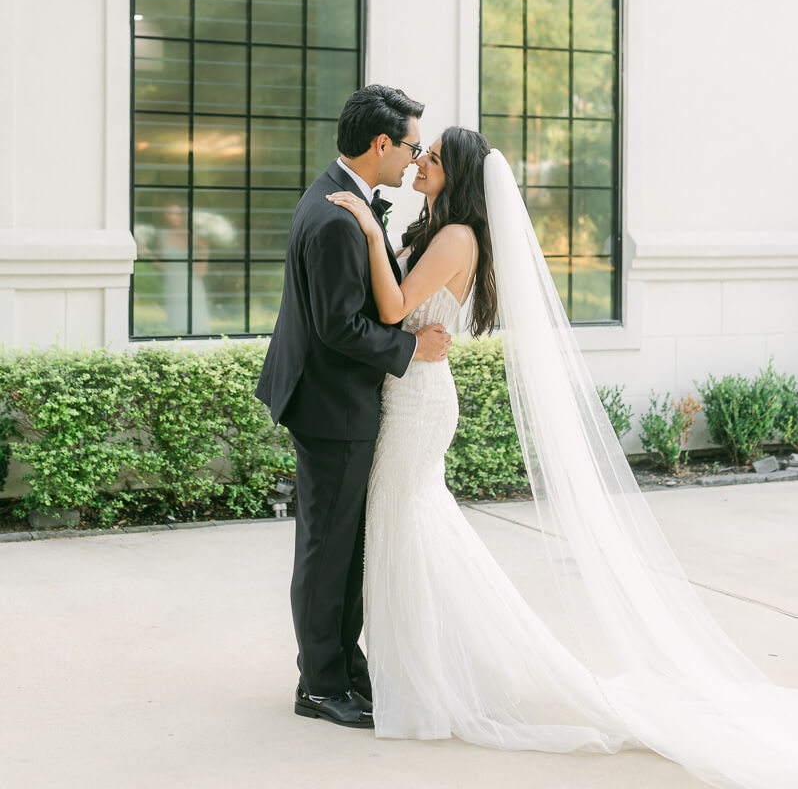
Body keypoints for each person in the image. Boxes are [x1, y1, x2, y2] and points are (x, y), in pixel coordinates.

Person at [327, 126, 798, 789]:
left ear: (458, 176)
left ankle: (436, 680)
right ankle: (442, 669)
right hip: (407, 394)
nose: (421, 160)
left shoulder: (457, 237)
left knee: (404, 524)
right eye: (422, 152)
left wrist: (372, 239)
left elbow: (398, 305)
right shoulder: (435, 231)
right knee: (411, 526)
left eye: (433, 157)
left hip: (419, 403)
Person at [255, 85, 452, 730]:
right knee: (326, 548)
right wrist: (410, 346)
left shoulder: (339, 199)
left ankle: (342, 666)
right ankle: (320, 684)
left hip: (334, 401)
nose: (413, 159)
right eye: (411, 146)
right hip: (332, 406)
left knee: (340, 545)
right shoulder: (338, 217)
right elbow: (339, 327)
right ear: (381, 144)